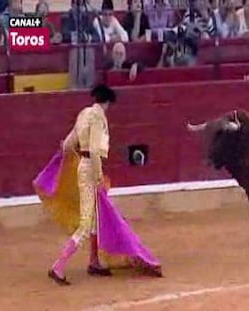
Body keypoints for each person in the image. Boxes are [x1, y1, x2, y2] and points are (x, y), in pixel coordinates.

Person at [33, 84, 162, 285]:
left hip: (83, 167)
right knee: (85, 225)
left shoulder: (84, 114)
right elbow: (93, 150)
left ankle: (94, 261)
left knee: (95, 219)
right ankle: (58, 267)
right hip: (91, 170)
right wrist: (99, 175)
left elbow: (67, 145)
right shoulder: (98, 118)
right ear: (108, 102)